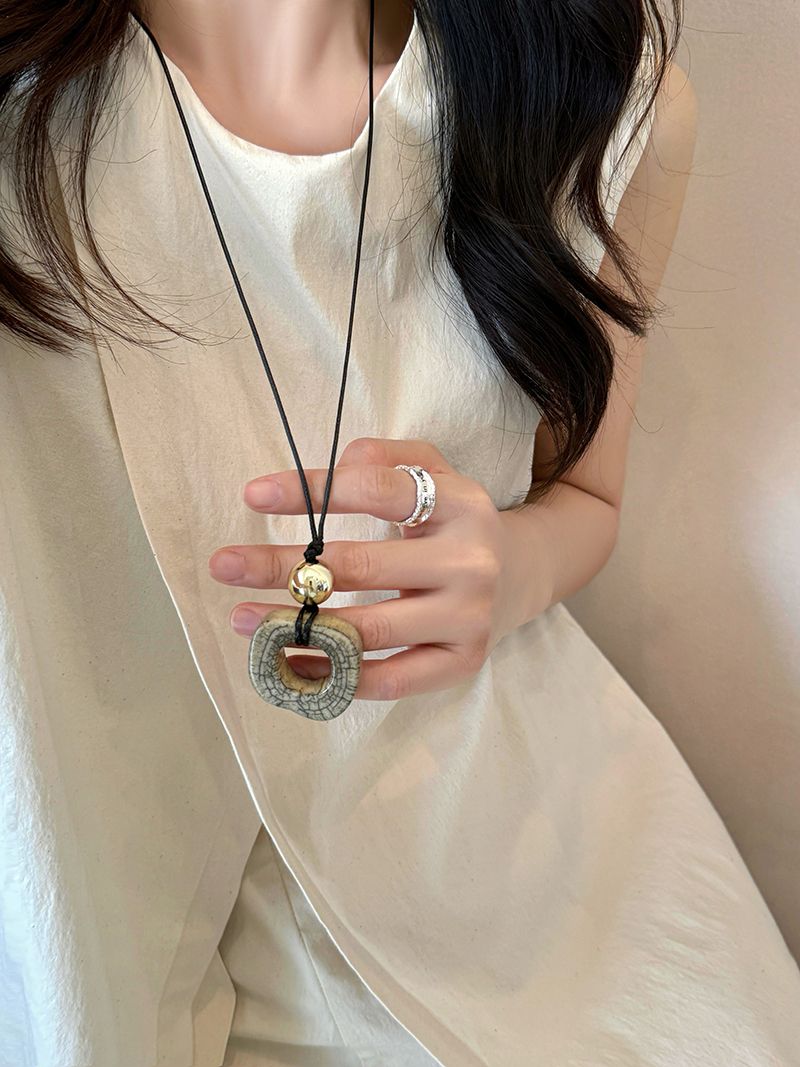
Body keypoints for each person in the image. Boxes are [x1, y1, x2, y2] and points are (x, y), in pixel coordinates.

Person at [1, 1, 798, 1065]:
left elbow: (587, 499)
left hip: (490, 858)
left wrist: (506, 565)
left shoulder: (589, 96)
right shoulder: (28, 97)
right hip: (87, 872)